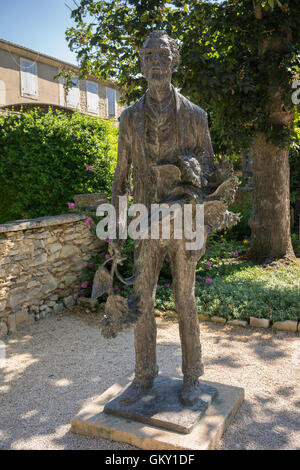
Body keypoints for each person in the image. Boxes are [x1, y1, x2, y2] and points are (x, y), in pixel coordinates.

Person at [109, 30, 232, 407]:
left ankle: (192, 375)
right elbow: (120, 179)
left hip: (185, 222)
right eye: (148, 55)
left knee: (185, 298)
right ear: (142, 63)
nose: (156, 62)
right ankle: (143, 376)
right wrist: (115, 229)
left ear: (174, 60)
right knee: (140, 298)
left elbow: (212, 176)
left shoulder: (195, 116)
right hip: (146, 222)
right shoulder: (129, 118)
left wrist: (193, 179)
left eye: (163, 54)